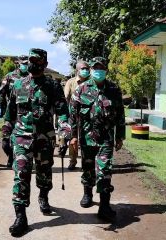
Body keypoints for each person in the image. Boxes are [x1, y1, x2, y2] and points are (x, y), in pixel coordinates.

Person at [2, 48, 70, 236]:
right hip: (22, 138)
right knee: (21, 174)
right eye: (30, 60)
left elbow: (63, 112)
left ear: (44, 64)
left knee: (44, 172)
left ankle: (43, 195)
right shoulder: (18, 85)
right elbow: (10, 113)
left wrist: (64, 132)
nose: (32, 64)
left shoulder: (52, 86)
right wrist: (6, 135)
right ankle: (21, 216)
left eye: (36, 61)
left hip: (44, 139)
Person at [69, 57, 125, 222]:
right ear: (91, 70)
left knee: (105, 171)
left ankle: (104, 205)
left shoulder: (114, 90)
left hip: (106, 139)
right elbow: (73, 114)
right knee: (87, 168)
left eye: (101, 67)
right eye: (95, 68)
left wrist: (120, 135)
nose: (98, 70)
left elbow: (120, 114)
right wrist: (72, 136)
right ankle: (87, 194)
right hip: (86, 138)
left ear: (106, 70)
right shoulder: (81, 89)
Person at [0, 55, 29, 168]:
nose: (24, 65)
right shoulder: (10, 76)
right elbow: (0, 93)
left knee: (21, 140)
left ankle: (18, 160)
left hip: (25, 115)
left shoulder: (31, 77)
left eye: (26, 63)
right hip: (10, 113)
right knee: (5, 141)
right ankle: (10, 155)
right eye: (22, 63)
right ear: (18, 63)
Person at [64, 60, 90, 170]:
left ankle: (87, 161)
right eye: (82, 68)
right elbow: (66, 98)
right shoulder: (71, 82)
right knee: (73, 139)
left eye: (87, 69)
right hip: (73, 116)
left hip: (88, 117)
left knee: (87, 140)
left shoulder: (92, 82)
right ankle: (72, 161)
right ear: (77, 70)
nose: (85, 70)